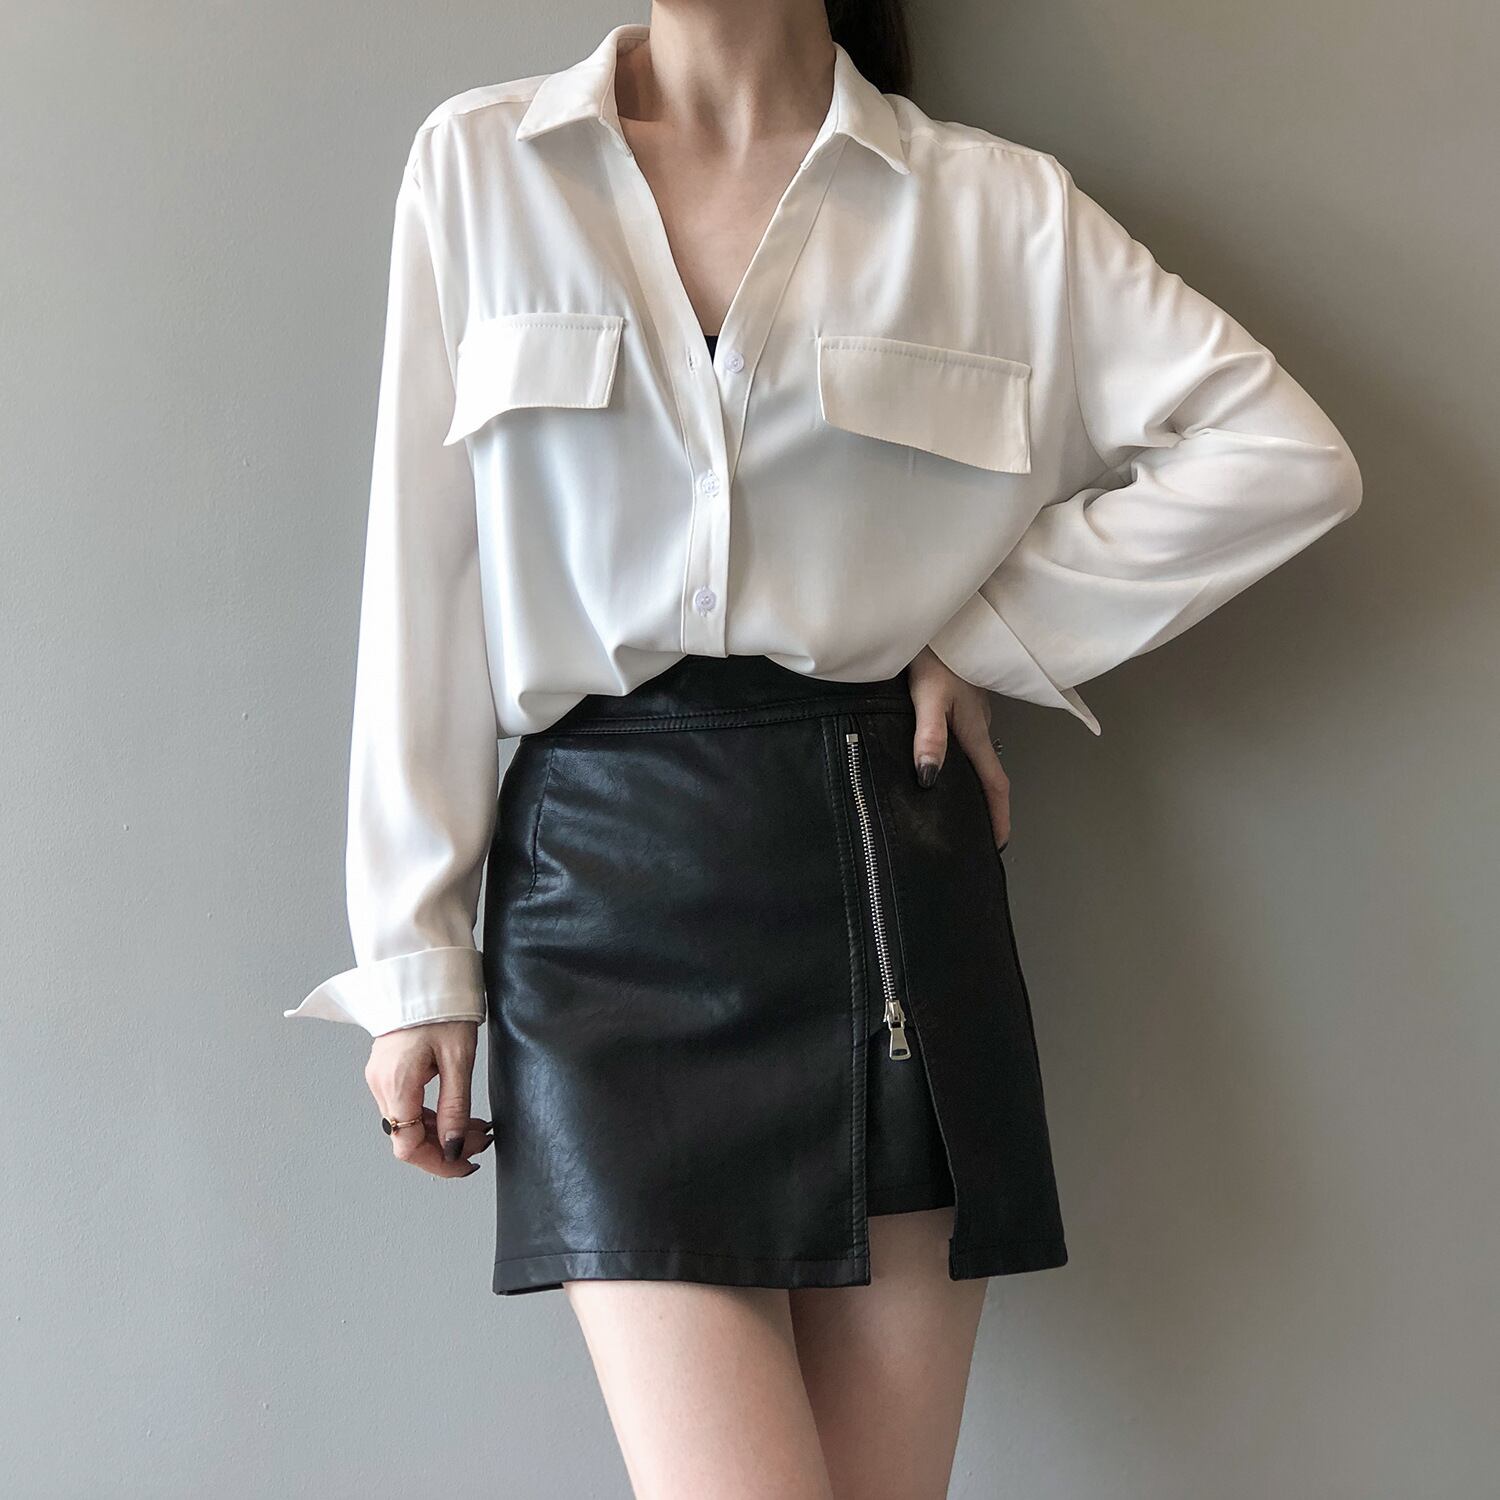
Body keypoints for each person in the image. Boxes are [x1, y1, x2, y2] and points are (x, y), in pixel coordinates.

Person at [286, 4, 1362, 1495]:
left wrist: (988, 634)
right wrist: (417, 960)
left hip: (890, 882)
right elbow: (426, 576)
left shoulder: (993, 208)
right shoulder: (483, 164)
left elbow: (1281, 455)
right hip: (599, 907)